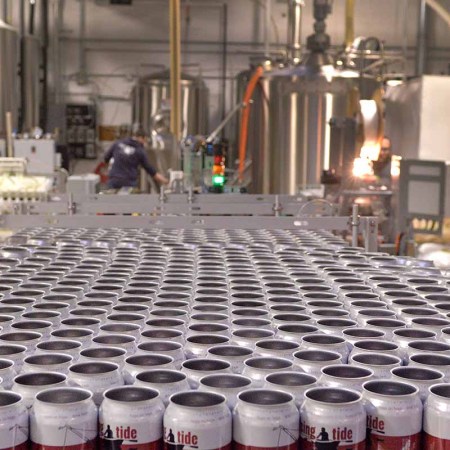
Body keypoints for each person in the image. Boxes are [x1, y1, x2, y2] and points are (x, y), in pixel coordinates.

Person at [104, 129, 169, 189]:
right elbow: (150, 170)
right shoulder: (140, 151)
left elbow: (106, 158)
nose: (144, 143)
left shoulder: (117, 143)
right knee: (127, 201)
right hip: (129, 183)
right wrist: (166, 181)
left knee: (111, 201)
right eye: (144, 140)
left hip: (114, 180)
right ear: (141, 138)